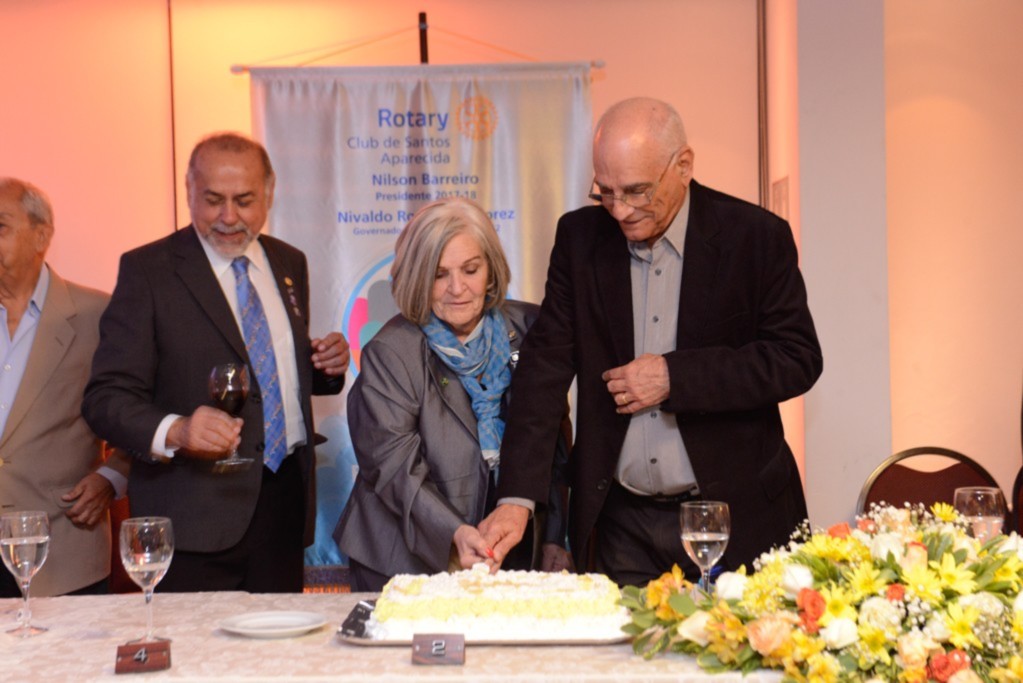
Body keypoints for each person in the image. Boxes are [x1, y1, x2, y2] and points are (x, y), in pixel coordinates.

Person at [479, 97, 823, 587]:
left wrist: (673, 377)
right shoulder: (579, 239)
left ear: (683, 166)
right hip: (622, 527)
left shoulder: (755, 237)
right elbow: (544, 369)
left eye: (636, 191)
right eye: (606, 192)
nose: (620, 210)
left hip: (733, 516)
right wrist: (518, 498)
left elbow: (796, 358)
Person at [82, 133, 350, 592]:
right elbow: (105, 398)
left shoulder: (289, 262)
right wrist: (178, 430)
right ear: (189, 191)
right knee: (196, 642)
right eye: (212, 200)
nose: (228, 217)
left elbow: (269, 368)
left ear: (269, 193)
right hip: (194, 521)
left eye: (244, 201)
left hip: (284, 510)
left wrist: (323, 365)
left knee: (281, 638)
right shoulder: (148, 271)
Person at [333, 197, 571, 592]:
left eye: (471, 270)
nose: (457, 289)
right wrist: (453, 532)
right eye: (439, 274)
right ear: (416, 277)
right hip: (404, 563)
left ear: (491, 270)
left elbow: (552, 445)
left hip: (509, 555)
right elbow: (393, 468)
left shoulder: (531, 328)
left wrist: (553, 537)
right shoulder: (391, 351)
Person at [0, 177, 127, 597]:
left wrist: (112, 476)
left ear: (41, 236)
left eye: (0, 226)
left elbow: (139, 410)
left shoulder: (98, 313)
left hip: (63, 548)